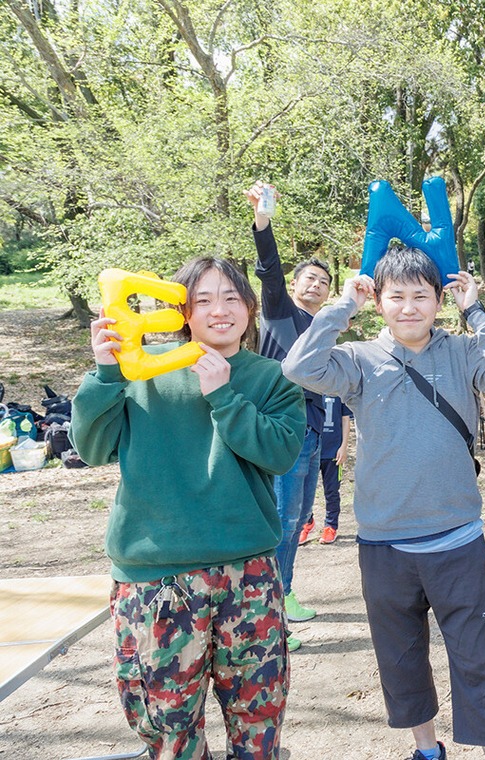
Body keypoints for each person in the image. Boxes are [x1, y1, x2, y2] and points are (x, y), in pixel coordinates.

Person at [282, 246, 485, 760]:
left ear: (440, 299)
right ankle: (426, 748)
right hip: (384, 542)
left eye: (422, 296)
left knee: (478, 658)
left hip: (458, 536)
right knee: (401, 657)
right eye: (396, 296)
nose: (409, 307)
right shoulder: (357, 360)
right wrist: (342, 306)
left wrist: (476, 311)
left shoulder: (461, 351)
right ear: (379, 301)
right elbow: (298, 367)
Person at [70, 257, 305, 758]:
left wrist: (224, 396)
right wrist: (105, 371)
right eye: (202, 300)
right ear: (181, 313)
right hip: (157, 580)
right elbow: (91, 447)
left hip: (248, 575)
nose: (218, 310)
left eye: (230, 298)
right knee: (168, 723)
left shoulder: (270, 379)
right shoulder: (143, 373)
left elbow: (281, 454)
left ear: (249, 307)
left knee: (258, 715)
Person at [245, 180, 329, 649]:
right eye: (309, 279)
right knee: (280, 517)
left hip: (311, 430)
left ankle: (285, 593)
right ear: (296, 285)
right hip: (279, 429)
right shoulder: (278, 310)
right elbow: (269, 269)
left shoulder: (324, 328)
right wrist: (264, 220)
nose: (315, 285)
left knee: (297, 520)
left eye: (323, 281)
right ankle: (268, 614)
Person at [298, 395, 351, 545]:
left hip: (333, 452)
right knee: (304, 491)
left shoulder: (338, 390)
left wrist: (344, 447)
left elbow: (346, 420)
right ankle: (306, 522)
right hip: (312, 448)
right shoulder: (309, 389)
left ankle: (330, 526)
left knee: (332, 491)